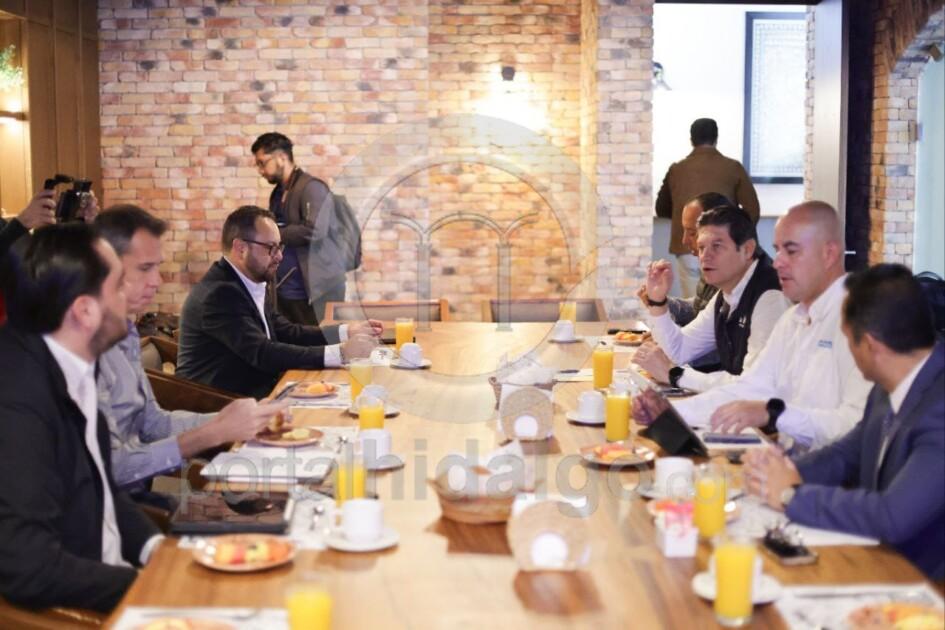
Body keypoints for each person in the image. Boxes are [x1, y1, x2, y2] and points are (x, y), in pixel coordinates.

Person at [744, 264, 944, 580]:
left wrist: (791, 495)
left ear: (871, 345)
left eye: (848, 340)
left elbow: (892, 515)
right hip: (876, 555)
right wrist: (783, 470)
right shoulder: (889, 382)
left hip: (922, 582)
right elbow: (848, 452)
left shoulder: (939, 408)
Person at [0, 223, 160, 612]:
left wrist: (158, 550)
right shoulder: (18, 401)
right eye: (118, 285)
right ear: (85, 311)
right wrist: (151, 587)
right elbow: (29, 567)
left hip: (118, 586)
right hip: (89, 610)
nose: (130, 295)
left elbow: (102, 489)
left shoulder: (71, 361)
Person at [634, 201, 872, 451]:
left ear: (829, 254)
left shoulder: (860, 320)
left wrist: (774, 414)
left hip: (817, 470)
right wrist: (670, 414)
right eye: (777, 251)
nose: (778, 262)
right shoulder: (793, 319)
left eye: (791, 251)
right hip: (784, 459)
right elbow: (749, 388)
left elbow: (857, 426)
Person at [94, 205, 293, 498]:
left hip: (139, 499)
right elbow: (112, 469)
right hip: (112, 509)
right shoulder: (85, 349)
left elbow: (154, 423)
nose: (158, 281)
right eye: (145, 268)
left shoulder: (125, 334)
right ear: (103, 268)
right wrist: (213, 433)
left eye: (157, 267)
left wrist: (234, 420)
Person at [177, 205, 381, 398]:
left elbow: (288, 332)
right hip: (221, 404)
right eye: (271, 248)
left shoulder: (247, 281)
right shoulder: (220, 294)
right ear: (240, 248)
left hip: (256, 392)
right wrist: (341, 353)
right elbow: (262, 353)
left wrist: (347, 331)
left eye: (280, 246)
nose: (280, 256)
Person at [633, 205, 791, 392]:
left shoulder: (770, 296)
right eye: (701, 247)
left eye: (717, 246)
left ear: (748, 249)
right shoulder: (727, 292)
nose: (705, 256)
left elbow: (754, 385)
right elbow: (680, 349)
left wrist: (675, 375)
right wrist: (657, 302)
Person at [655, 118, 760, 298]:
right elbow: (752, 209)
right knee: (725, 301)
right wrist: (737, 236)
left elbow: (661, 208)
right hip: (723, 246)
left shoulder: (677, 169)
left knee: (693, 302)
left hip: (687, 249)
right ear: (716, 138)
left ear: (691, 139)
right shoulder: (733, 167)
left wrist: (688, 223)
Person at [251, 132, 345, 325]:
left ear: (281, 157)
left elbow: (315, 230)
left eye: (262, 163)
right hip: (287, 289)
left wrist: (274, 233)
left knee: (321, 342)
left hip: (317, 290)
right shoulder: (278, 193)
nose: (260, 170)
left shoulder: (312, 187)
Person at [639, 191, 729, 326]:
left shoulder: (740, 278)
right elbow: (699, 309)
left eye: (692, 233)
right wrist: (660, 301)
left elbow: (708, 332)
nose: (684, 240)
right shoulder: (710, 263)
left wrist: (659, 305)